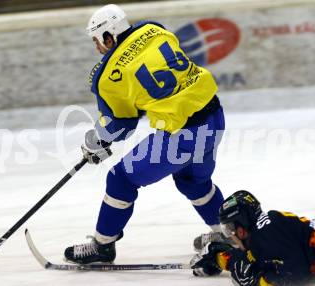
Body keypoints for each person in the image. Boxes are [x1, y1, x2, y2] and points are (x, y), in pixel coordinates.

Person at [64, 4, 229, 264]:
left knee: (120, 179)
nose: (97, 47)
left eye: (97, 40)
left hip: (183, 135)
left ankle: (102, 246)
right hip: (214, 118)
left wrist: (98, 142)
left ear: (108, 36)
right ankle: (227, 234)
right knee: (193, 181)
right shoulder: (155, 30)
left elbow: (122, 125)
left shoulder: (107, 77)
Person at [190, 190, 315, 285]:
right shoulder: (267, 229)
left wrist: (255, 282)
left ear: (241, 229)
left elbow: (297, 279)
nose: (229, 234)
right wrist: (219, 259)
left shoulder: (264, 236)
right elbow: (253, 260)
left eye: (229, 227)